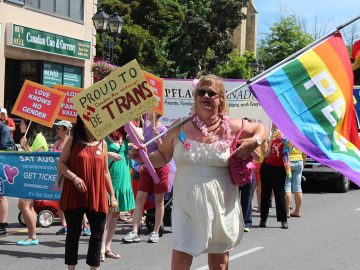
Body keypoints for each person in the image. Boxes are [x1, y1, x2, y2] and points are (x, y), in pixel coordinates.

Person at [130, 75, 268, 269]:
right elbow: (163, 157)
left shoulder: (232, 126)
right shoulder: (179, 126)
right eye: (201, 92)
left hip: (221, 203)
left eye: (211, 93)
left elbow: (261, 128)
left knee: (219, 263)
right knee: (180, 259)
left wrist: (255, 141)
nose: (206, 95)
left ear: (220, 99)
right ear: (195, 97)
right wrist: (141, 158)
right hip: (186, 204)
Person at [58, 116, 117, 270]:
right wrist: (75, 178)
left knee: (97, 234)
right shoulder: (73, 141)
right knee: (73, 234)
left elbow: (105, 172)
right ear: (83, 124)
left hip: (96, 194)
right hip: (74, 194)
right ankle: (71, 268)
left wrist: (112, 195)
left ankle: (94, 268)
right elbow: (61, 163)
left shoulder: (103, 143)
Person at [123, 112, 170, 244]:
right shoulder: (147, 129)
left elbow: (165, 151)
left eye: (149, 111)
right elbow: (142, 150)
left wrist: (159, 140)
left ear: (157, 113)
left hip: (160, 169)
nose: (146, 113)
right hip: (146, 168)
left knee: (159, 201)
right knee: (139, 198)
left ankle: (155, 232)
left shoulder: (163, 129)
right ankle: (135, 231)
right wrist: (134, 152)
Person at [100, 126, 137, 261]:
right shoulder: (104, 137)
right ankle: (101, 249)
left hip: (123, 181)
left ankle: (108, 247)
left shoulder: (126, 139)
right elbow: (94, 153)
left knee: (115, 215)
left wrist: (131, 126)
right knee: (107, 216)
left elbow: (141, 139)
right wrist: (108, 154)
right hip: (110, 182)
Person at [17, 119, 48, 246]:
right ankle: (32, 235)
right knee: (27, 206)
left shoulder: (39, 138)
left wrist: (25, 147)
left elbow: (38, 160)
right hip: (28, 176)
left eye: (22, 123)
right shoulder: (29, 138)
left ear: (30, 125)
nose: (20, 126)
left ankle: (32, 236)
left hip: (34, 178)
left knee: (23, 205)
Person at [259, 125, 290, 229]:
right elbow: (263, 144)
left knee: (279, 194)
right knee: (265, 194)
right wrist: (266, 150)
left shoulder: (287, 133)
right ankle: (263, 219)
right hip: (267, 166)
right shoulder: (269, 132)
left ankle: (283, 220)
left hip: (280, 168)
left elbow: (291, 145)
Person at [285, 146, 306, 218]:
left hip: (287, 161)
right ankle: (297, 211)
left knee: (287, 186)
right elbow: (305, 150)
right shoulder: (301, 134)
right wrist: (303, 162)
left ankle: (287, 212)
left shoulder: (285, 134)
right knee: (297, 187)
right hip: (299, 160)